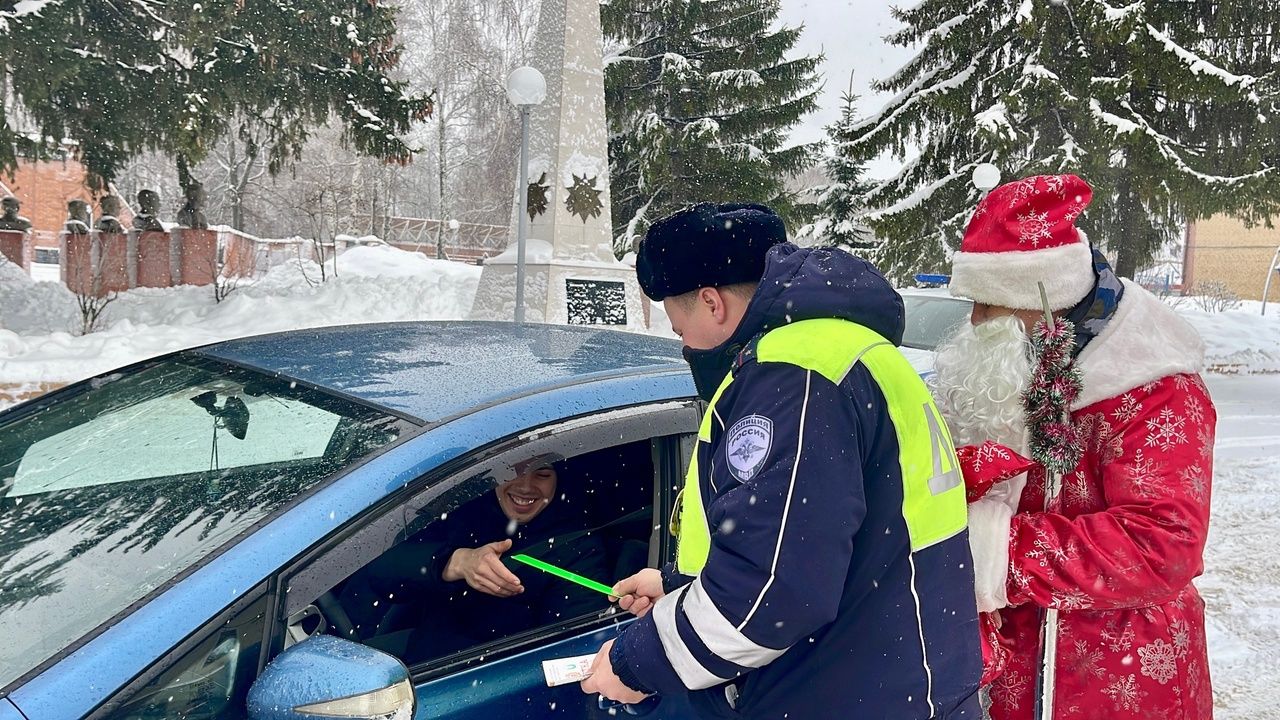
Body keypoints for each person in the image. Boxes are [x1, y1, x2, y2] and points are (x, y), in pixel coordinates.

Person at [581, 203, 982, 719]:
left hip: (849, 692)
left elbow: (774, 594)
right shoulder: (845, 349)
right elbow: (817, 542)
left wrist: (637, 664)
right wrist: (683, 587)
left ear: (711, 303)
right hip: (899, 675)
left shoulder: (792, 378)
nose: (684, 346)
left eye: (679, 328)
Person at [932, 174, 1215, 719]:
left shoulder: (1154, 386)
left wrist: (992, 551)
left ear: (1046, 301)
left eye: (989, 305)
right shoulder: (1024, 367)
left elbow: (1163, 545)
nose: (974, 321)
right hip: (1009, 675)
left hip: (1114, 679)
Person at [340, 455, 610, 662]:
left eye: (542, 473)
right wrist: (452, 562)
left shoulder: (578, 546)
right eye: (512, 469)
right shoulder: (462, 510)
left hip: (482, 680)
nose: (526, 486)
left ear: (558, 479)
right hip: (421, 661)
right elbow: (379, 569)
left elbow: (572, 647)